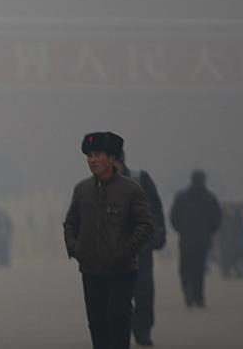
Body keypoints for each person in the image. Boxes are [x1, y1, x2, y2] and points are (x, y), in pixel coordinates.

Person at [63, 131, 153, 349]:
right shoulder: (83, 190)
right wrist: (75, 248)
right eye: (89, 155)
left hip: (121, 271)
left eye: (97, 155)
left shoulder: (131, 190)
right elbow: (71, 223)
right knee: (97, 323)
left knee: (118, 320)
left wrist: (125, 252)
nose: (92, 160)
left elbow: (145, 225)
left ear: (112, 158)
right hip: (91, 270)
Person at [116, 153, 165, 346]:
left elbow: (156, 208)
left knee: (144, 291)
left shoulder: (140, 179)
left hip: (140, 247)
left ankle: (142, 329)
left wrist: (159, 232)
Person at [169, 169, 222, 307]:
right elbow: (217, 219)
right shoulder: (210, 198)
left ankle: (188, 289)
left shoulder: (181, 197)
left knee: (185, 267)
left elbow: (174, 218)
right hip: (202, 239)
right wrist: (209, 231)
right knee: (199, 269)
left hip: (186, 238)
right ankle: (198, 296)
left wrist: (181, 230)